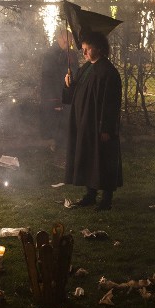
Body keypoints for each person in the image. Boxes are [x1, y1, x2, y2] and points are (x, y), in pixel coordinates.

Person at [63, 31, 122, 211]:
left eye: (87, 49)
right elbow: (76, 92)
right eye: (83, 49)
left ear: (98, 48)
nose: (84, 53)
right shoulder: (86, 68)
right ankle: (90, 194)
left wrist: (106, 128)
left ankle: (106, 198)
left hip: (99, 124)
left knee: (104, 159)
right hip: (85, 123)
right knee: (89, 158)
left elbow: (111, 103)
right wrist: (69, 83)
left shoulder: (108, 72)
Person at [40, 28, 78, 163]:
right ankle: (56, 153)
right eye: (66, 39)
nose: (69, 42)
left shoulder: (71, 54)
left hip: (69, 96)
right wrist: (55, 101)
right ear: (59, 38)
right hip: (56, 96)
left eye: (71, 39)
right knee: (57, 125)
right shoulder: (50, 55)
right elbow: (49, 79)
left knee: (67, 124)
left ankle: (66, 152)